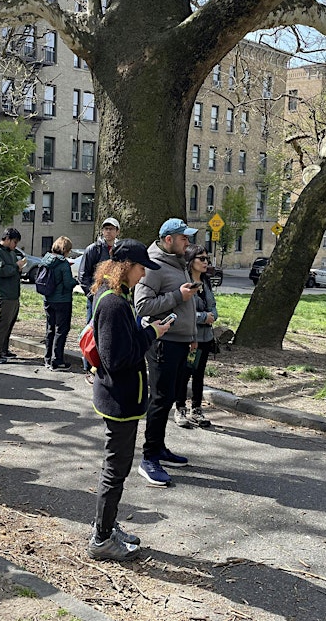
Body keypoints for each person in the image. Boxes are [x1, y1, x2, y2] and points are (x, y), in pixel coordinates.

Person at [88, 239, 171, 561]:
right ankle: (101, 538)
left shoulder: (116, 298)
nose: (142, 276)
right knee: (115, 470)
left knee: (116, 468)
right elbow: (116, 359)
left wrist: (146, 330)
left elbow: (118, 346)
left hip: (121, 397)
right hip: (120, 400)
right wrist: (152, 335)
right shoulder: (114, 304)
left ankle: (106, 526)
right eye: (141, 269)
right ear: (126, 266)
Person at [133, 218, 201, 487]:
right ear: (169, 239)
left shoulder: (178, 262)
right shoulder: (155, 265)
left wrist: (192, 336)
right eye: (184, 238)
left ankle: (159, 448)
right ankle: (148, 458)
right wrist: (177, 297)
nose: (188, 243)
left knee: (170, 396)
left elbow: (186, 305)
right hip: (163, 342)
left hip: (180, 341)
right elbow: (142, 306)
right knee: (160, 399)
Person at [173, 244, 217, 428]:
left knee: (199, 374)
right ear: (191, 261)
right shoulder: (185, 282)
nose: (206, 262)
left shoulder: (206, 282)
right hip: (191, 337)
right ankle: (180, 407)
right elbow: (184, 310)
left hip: (206, 337)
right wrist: (202, 317)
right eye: (202, 259)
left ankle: (196, 408)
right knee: (186, 372)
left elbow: (213, 305)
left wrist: (212, 315)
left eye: (207, 258)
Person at [78, 218, 120, 380]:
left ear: (117, 231)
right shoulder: (93, 250)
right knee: (92, 331)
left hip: (114, 299)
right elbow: (83, 275)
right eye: (105, 229)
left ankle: (105, 365)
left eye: (111, 229)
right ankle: (88, 366)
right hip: (96, 299)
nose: (108, 232)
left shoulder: (119, 249)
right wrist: (93, 295)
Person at [0, 227, 26, 364]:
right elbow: (0, 270)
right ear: (7, 239)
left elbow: (13, 269)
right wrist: (16, 267)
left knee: (9, 323)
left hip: (13, 294)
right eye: (14, 242)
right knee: (2, 323)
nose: (16, 245)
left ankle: (3, 349)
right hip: (2, 294)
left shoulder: (12, 253)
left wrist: (18, 268)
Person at [42, 236, 76, 371]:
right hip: (62, 300)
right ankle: (57, 361)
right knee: (61, 330)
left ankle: (47, 358)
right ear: (65, 249)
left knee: (50, 329)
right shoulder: (63, 264)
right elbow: (68, 284)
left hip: (48, 298)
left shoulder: (46, 260)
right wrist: (75, 281)